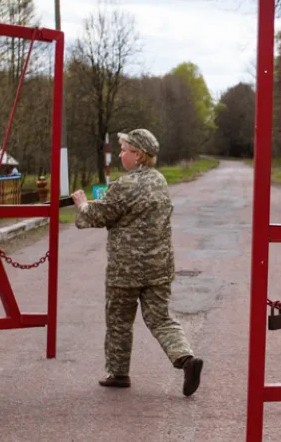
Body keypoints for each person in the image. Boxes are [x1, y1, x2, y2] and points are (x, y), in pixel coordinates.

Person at [71, 128, 204, 397]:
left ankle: (118, 373)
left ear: (139, 155)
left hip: (126, 270)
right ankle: (186, 359)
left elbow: (100, 215)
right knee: (160, 319)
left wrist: (82, 204)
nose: (120, 154)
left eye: (124, 150)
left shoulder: (125, 185)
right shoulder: (159, 181)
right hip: (159, 267)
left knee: (119, 320)